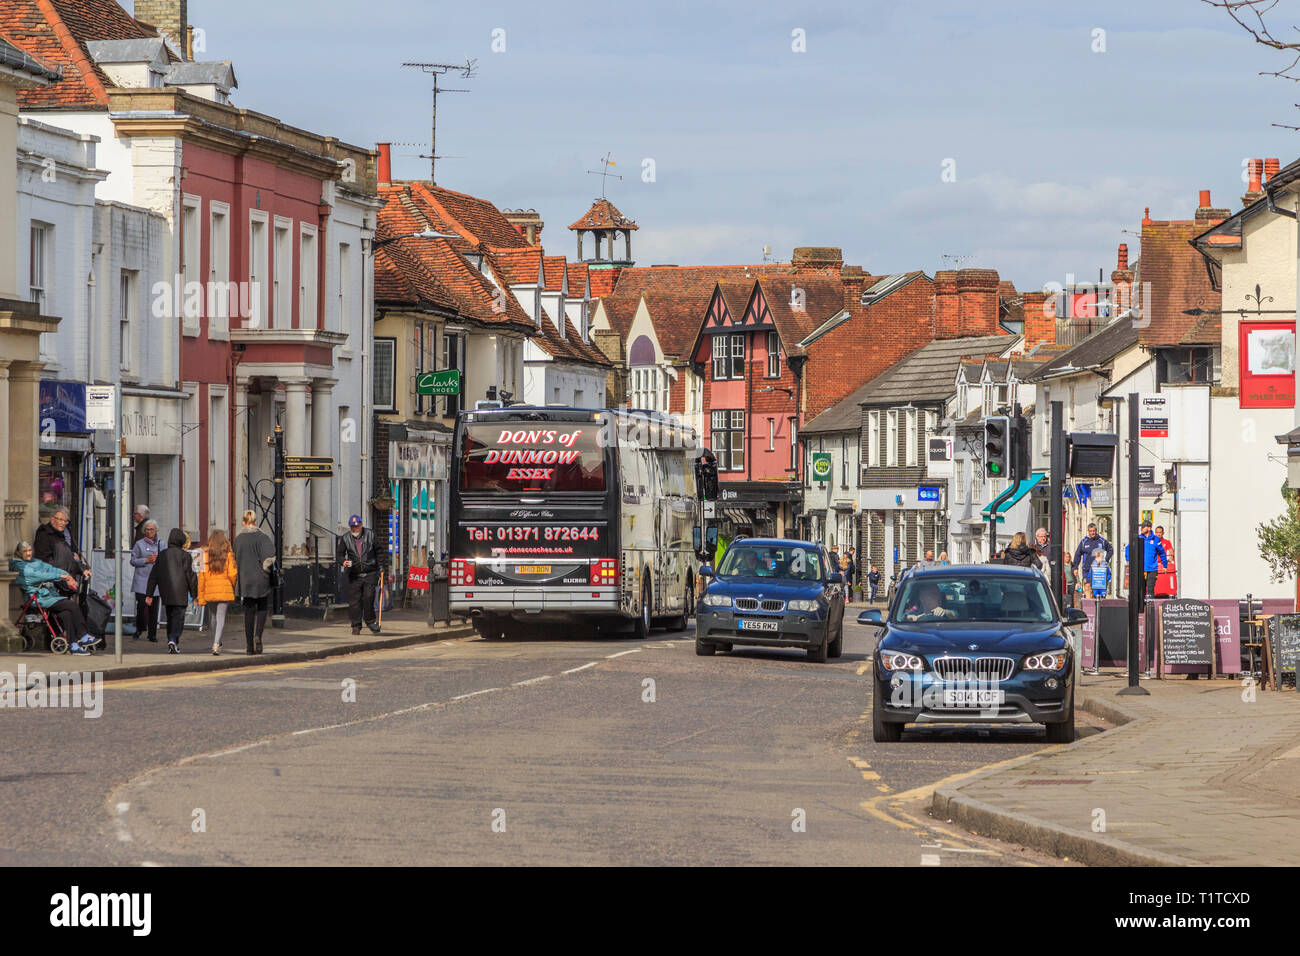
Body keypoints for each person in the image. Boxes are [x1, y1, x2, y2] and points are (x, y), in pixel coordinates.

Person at [10, 542, 100, 653]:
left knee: (66, 613)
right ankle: (83, 635)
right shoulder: (20, 567)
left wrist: (68, 576)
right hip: (38, 598)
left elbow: (52, 569)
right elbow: (39, 575)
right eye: (25, 551)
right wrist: (62, 577)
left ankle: (73, 644)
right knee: (71, 605)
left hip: (50, 596)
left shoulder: (36, 562)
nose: (28, 553)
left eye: (30, 550)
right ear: (19, 553)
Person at [145, 528, 197, 654]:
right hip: (180, 591)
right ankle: (173, 639)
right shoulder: (185, 555)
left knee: (170, 617)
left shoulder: (162, 555)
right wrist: (195, 594)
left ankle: (171, 641)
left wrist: (149, 594)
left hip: (166, 591)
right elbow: (190, 576)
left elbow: (154, 575)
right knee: (178, 618)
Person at [337, 514, 386, 635]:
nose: (355, 528)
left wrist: (381, 567)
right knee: (354, 601)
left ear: (361, 525)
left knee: (368, 597)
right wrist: (344, 561)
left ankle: (370, 621)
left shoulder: (371, 534)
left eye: (357, 526)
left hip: (370, 572)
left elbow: (379, 551)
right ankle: (356, 625)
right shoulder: (345, 538)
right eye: (352, 526)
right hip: (354, 574)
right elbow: (339, 554)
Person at [233, 510, 274, 654]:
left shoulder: (238, 539)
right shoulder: (263, 537)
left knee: (248, 612)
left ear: (243, 522)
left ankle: (249, 647)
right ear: (255, 522)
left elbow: (235, 559)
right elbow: (269, 559)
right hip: (260, 579)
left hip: (245, 579)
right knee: (262, 608)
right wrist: (267, 571)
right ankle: (258, 635)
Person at [198, 529, 238, 656]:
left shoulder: (204, 555)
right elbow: (233, 574)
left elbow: (201, 577)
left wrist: (201, 595)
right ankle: (216, 643)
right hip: (224, 589)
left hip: (210, 590)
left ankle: (217, 640)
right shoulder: (228, 555)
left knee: (214, 617)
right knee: (221, 618)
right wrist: (232, 585)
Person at [33, 507, 90, 583]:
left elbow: (68, 558)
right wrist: (63, 575)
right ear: (52, 519)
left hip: (64, 580)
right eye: (60, 520)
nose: (63, 523)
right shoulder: (44, 534)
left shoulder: (61, 535)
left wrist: (82, 569)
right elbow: (45, 560)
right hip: (54, 581)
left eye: (65, 521)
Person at [129, 519, 163, 642]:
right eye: (147, 529)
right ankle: (139, 628)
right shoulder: (139, 544)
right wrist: (146, 560)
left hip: (155, 582)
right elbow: (133, 560)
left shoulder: (161, 544)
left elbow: (165, 559)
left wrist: (158, 559)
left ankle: (152, 634)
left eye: (151, 529)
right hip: (142, 580)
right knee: (141, 607)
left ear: (156, 531)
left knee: (154, 609)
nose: (149, 532)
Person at [1125, 520, 1167, 601]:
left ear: (1149, 528)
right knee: (1140, 589)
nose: (1141, 528)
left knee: (1150, 589)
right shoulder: (1138, 538)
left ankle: (1150, 609)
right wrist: (1128, 559)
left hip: (1152, 569)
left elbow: (1162, 553)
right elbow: (1128, 548)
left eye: (1143, 527)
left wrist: (1165, 565)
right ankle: (1141, 609)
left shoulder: (1156, 540)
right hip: (1140, 569)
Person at [1071, 523, 1113, 598]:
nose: (1092, 533)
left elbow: (1110, 550)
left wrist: (1105, 560)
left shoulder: (1102, 541)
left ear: (1096, 531)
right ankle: (1088, 608)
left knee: (1099, 591)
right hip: (1087, 570)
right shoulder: (1084, 542)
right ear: (1088, 531)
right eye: (1090, 531)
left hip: (1099, 571)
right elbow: (1077, 554)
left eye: (1093, 531)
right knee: (1087, 588)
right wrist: (1075, 567)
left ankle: (1100, 606)